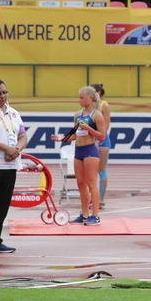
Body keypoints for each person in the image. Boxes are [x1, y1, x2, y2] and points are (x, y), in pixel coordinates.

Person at [0, 79, 27, 252]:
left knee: (2, 206)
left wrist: (16, 150)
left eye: (5, 92)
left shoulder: (13, 113)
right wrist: (6, 148)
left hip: (9, 167)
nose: (3, 96)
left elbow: (23, 136)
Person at [51, 86, 105, 226]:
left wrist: (88, 128)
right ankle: (84, 214)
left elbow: (102, 136)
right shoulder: (78, 115)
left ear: (90, 98)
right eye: (79, 97)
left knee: (92, 183)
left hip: (90, 151)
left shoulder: (97, 115)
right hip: (78, 151)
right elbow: (74, 135)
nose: (79, 100)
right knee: (81, 184)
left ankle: (96, 215)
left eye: (82, 97)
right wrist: (61, 139)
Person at [91, 83, 110, 209]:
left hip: (102, 140)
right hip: (90, 140)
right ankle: (92, 198)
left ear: (97, 92)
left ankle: (101, 200)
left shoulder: (104, 105)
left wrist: (100, 138)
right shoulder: (89, 105)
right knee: (90, 173)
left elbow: (106, 124)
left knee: (101, 171)